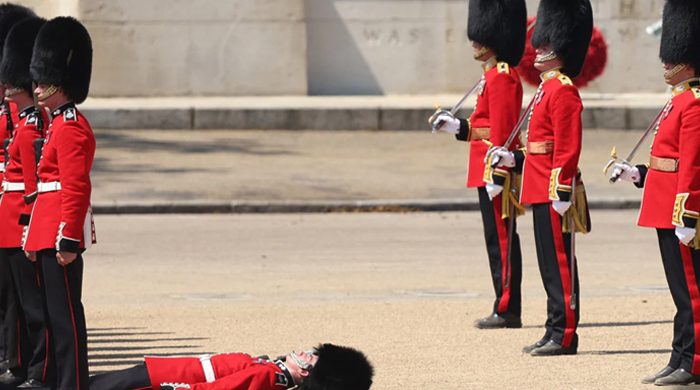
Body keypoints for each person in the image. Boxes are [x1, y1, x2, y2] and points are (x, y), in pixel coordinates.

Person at [489, 0, 593, 356]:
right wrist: (512, 158)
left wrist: (562, 189)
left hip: (554, 189)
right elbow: (538, 146)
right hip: (537, 185)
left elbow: (567, 146)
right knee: (548, 264)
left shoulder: (563, 90)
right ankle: (553, 328)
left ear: (560, 50)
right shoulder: (547, 89)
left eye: (546, 45)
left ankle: (564, 333)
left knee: (560, 263)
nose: (538, 49)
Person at [610, 0, 700, 385]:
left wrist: (688, 214)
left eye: (674, 55)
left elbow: (694, 167)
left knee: (692, 294)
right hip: (665, 207)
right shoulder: (677, 101)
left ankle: (694, 363)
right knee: (680, 294)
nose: (666, 61)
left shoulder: (693, 104)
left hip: (681, 212)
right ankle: (680, 357)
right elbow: (669, 161)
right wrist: (639, 173)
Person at [429, 0, 527, 329]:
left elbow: (503, 130)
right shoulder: (490, 77)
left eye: (481, 35)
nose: (475, 41)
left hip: (494, 170)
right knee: (494, 239)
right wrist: (456, 127)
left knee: (502, 239)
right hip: (484, 167)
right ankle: (503, 301)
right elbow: (483, 126)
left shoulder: (503, 77)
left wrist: (498, 173)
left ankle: (508, 307)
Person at [22, 16, 95, 390]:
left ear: (60, 82)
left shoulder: (71, 127)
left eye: (42, 80)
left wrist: (67, 239)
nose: (36, 87)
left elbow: (75, 186)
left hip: (60, 235)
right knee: (53, 317)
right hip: (47, 230)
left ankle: (73, 383)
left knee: (66, 318)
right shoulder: (56, 125)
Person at [0, 16, 49, 389]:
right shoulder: (21, 119)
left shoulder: (32, 123)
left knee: (29, 305)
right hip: (11, 211)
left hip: (23, 217)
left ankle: (32, 369)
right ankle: (19, 363)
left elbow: (35, 183)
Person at [89, 343, 374, 390]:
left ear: (309, 373)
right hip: (165, 372)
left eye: (312, 357)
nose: (304, 353)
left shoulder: (269, 376)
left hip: (165, 378)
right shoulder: (272, 370)